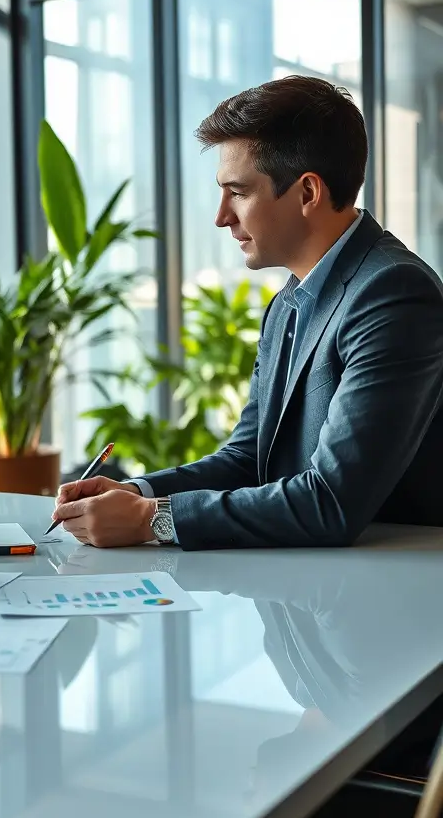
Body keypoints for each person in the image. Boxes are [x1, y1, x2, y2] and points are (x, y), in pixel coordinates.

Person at [53, 75, 443, 550]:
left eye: (237, 192)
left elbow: (332, 501)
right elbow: (247, 459)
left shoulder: (393, 293)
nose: (221, 216)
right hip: (305, 590)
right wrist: (138, 492)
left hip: (384, 597)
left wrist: (150, 520)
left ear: (307, 193)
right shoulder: (289, 302)